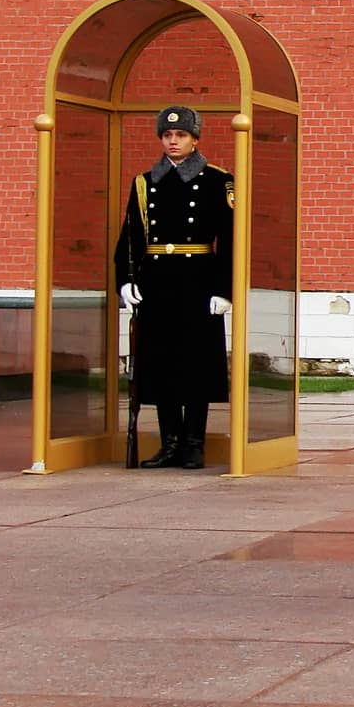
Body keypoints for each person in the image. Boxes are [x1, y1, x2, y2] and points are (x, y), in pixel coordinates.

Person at [114, 104, 234, 470]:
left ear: (195, 138)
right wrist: (125, 281)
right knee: (162, 362)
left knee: (195, 364)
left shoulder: (217, 180)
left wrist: (224, 289)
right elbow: (130, 238)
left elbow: (229, 238)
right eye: (167, 135)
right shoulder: (145, 182)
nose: (173, 141)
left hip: (198, 280)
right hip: (158, 282)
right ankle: (170, 444)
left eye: (180, 135)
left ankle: (194, 444)